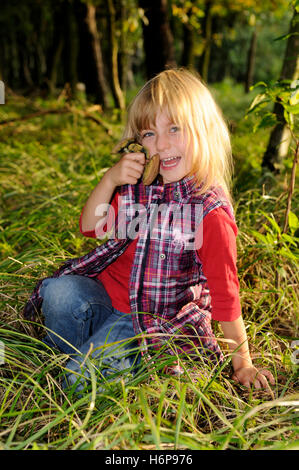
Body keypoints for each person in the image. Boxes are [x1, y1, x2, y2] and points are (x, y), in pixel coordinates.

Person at [24, 68, 275, 393]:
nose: (162, 144)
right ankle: (66, 355)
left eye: (174, 128)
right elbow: (90, 227)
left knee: (74, 384)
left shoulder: (208, 212)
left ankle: (99, 365)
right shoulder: (140, 186)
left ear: (204, 131)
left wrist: (243, 362)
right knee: (59, 292)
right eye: (149, 134)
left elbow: (226, 295)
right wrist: (110, 180)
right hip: (106, 303)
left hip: (153, 323)